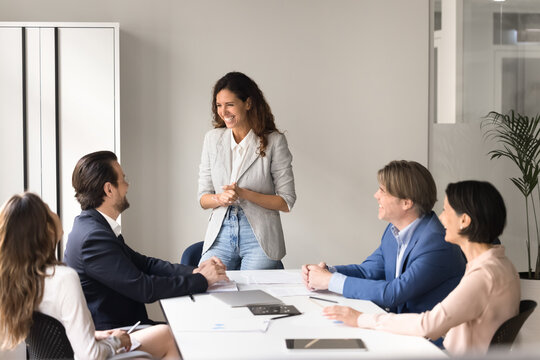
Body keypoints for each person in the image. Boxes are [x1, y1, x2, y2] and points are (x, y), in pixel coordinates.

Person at [323, 180, 520, 355]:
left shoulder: (483, 276)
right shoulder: (502, 265)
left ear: (464, 221)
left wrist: (361, 319)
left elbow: (428, 324)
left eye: (445, 211)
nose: (440, 220)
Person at [0, 192, 180, 359]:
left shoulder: (19, 280)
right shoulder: (63, 279)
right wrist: (117, 341)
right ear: (45, 229)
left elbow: (57, 333)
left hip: (76, 351)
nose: (54, 213)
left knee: (160, 335)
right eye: (48, 210)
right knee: (166, 335)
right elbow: (90, 355)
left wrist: (94, 335)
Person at [64, 151, 229, 330]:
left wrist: (195, 271)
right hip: (115, 333)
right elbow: (144, 289)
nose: (127, 186)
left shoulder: (94, 227)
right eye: (123, 180)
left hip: (125, 325)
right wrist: (202, 280)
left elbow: (146, 264)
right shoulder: (93, 238)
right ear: (109, 189)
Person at [302, 160, 466, 316]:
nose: (376, 195)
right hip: (400, 327)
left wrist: (330, 281)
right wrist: (328, 271)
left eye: (383, 191)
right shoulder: (394, 230)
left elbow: (393, 293)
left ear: (406, 203)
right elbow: (367, 271)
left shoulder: (437, 243)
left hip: (432, 340)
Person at [198, 71, 296, 270]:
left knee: (252, 297)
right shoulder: (212, 139)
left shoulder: (274, 142)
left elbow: (286, 201)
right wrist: (219, 198)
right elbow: (203, 198)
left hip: (260, 238)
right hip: (221, 233)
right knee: (206, 287)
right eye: (219, 105)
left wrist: (244, 194)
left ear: (248, 103)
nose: (223, 111)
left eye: (230, 104)